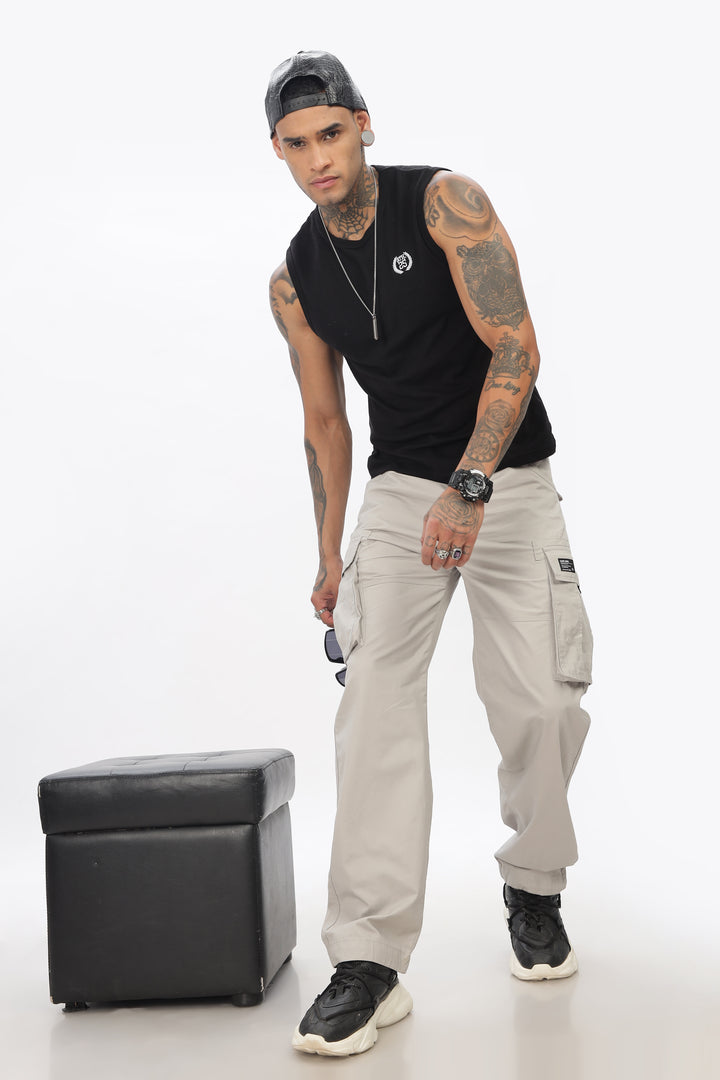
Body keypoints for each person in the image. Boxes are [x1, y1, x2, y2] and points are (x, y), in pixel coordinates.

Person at [267, 50, 593, 1057]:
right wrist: (330, 555)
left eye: (331, 134)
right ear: (278, 152)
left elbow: (516, 347)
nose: (318, 159)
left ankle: (533, 884)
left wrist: (472, 485)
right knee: (372, 703)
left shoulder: (447, 203)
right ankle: (368, 959)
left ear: (363, 124)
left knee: (542, 703)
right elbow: (325, 423)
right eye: (296, 144)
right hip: (403, 492)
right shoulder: (295, 279)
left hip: (507, 479)